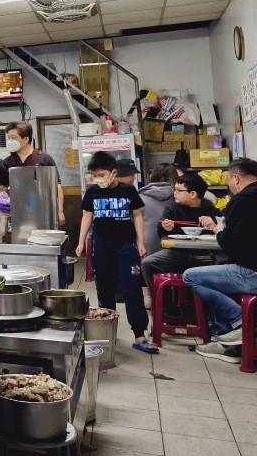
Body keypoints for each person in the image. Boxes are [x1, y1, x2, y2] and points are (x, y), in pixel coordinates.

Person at [188, 158, 257, 362]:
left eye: (230, 180)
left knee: (192, 276)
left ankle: (241, 326)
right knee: (218, 271)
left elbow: (230, 245)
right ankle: (231, 337)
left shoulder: (243, 200)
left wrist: (219, 228)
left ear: (236, 178)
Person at [76, 151, 156, 354]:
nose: (98, 180)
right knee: (104, 288)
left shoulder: (128, 191)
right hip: (101, 245)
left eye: (101, 175)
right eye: (95, 176)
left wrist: (141, 242)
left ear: (113, 172)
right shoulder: (93, 192)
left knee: (131, 289)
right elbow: (87, 216)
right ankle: (108, 332)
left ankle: (140, 334)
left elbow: (137, 215)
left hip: (126, 246)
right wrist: (81, 242)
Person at [140, 173, 221, 294]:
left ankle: (206, 306)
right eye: (174, 189)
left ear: (193, 194)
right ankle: (164, 304)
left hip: (205, 253)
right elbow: (161, 231)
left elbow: (221, 228)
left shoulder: (208, 207)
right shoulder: (172, 207)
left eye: (178, 190)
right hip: (178, 253)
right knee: (147, 263)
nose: (174, 193)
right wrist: (165, 228)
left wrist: (214, 225)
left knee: (221, 267)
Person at [3, 121, 65, 225]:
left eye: (13, 138)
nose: (10, 141)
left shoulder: (44, 159)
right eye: (9, 138)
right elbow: (4, 188)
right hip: (16, 212)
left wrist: (60, 211)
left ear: (26, 139)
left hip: (43, 211)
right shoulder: (7, 162)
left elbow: (57, 187)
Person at [137, 163, 177, 309]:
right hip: (170, 241)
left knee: (144, 263)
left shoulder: (140, 196)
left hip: (145, 241)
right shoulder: (178, 195)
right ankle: (171, 295)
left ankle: (148, 297)